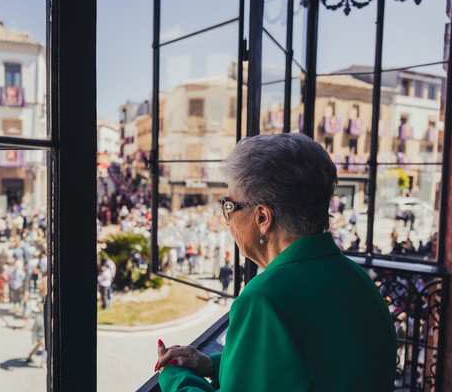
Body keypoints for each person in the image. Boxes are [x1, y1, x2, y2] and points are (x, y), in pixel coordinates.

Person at [154, 134, 397, 391]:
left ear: (262, 218)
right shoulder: (355, 276)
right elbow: (313, 364)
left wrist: (175, 376)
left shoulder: (265, 298)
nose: (227, 219)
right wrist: (214, 363)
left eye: (229, 206)